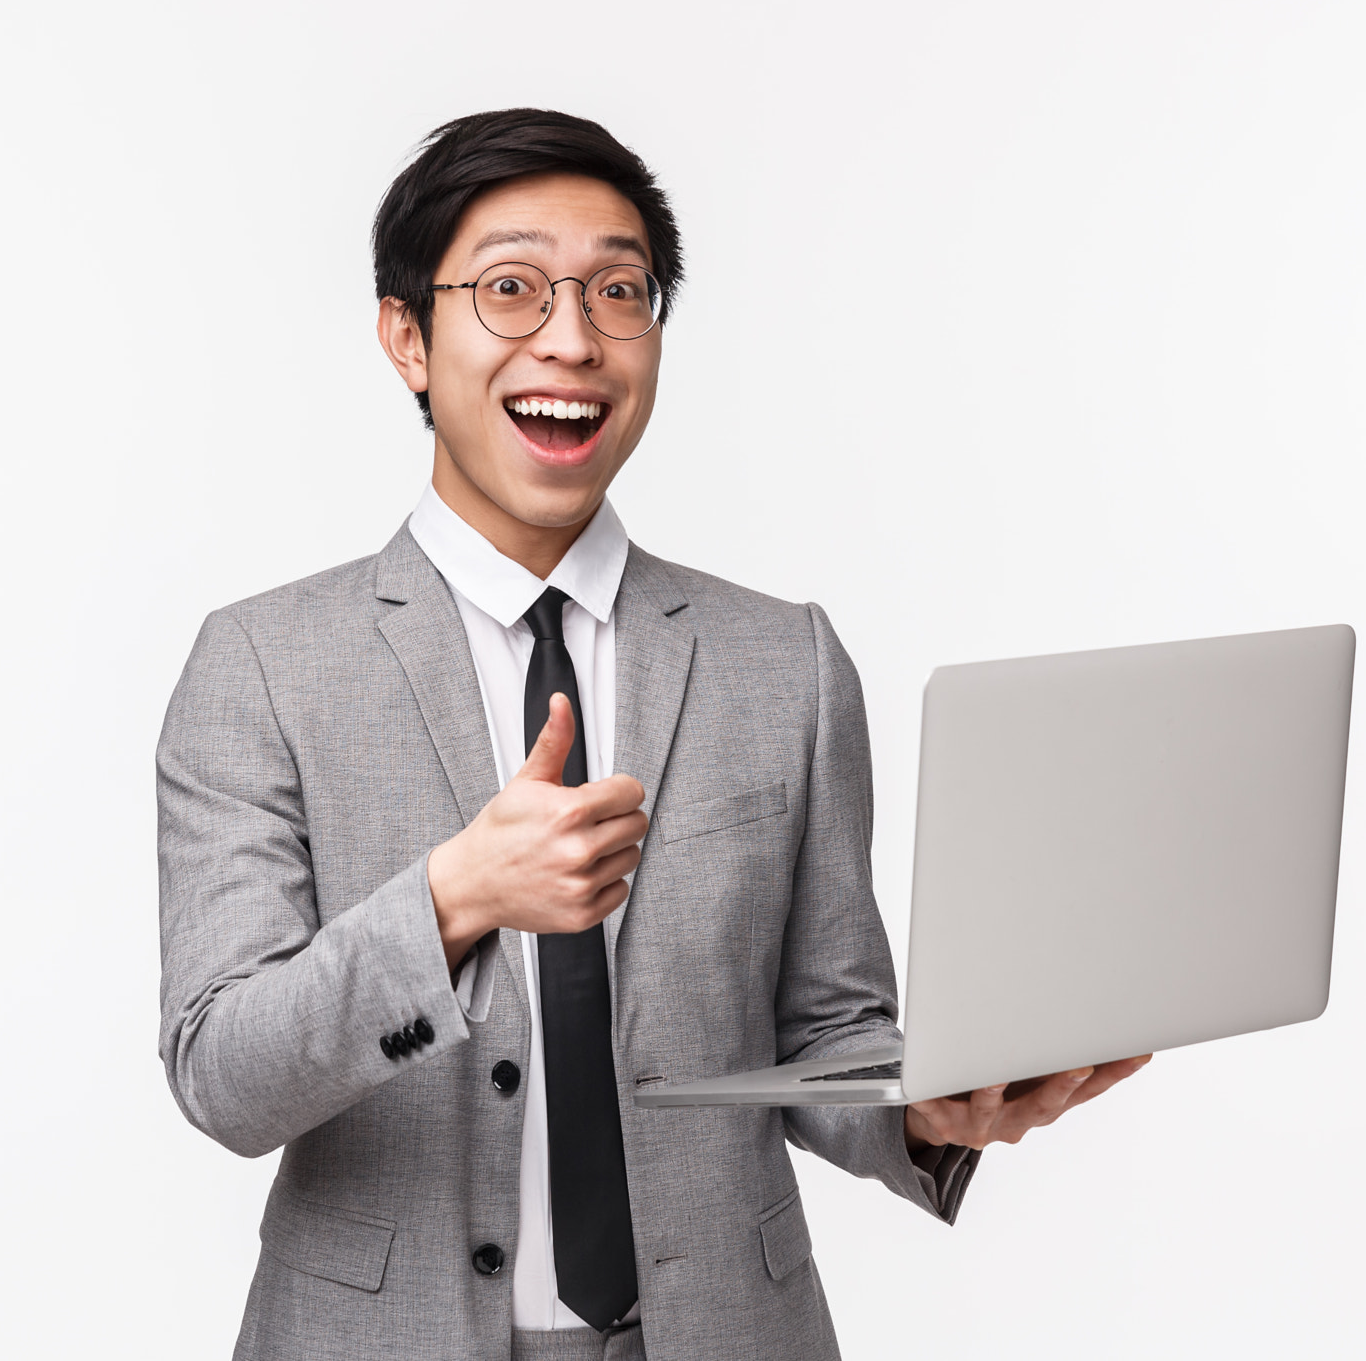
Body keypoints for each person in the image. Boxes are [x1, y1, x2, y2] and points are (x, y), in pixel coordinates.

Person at [156, 108, 1148, 1361]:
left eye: (617, 291)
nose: (569, 338)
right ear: (406, 337)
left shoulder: (781, 659)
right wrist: (453, 899)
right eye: (510, 289)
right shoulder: (258, 664)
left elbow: (823, 1034)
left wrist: (928, 1106)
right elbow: (222, 1077)